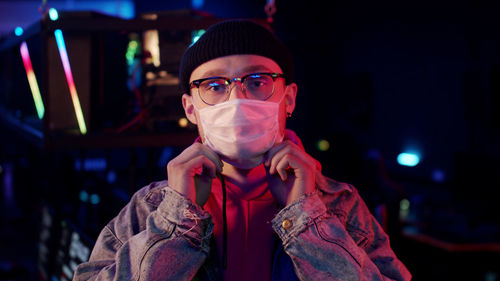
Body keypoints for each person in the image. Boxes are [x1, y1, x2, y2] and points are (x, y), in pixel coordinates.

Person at [73, 19, 411, 281]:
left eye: (257, 81)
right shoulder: (149, 208)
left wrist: (307, 219)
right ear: (191, 109)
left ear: (289, 98)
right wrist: (176, 220)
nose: (237, 100)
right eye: (214, 86)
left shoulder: (340, 203)